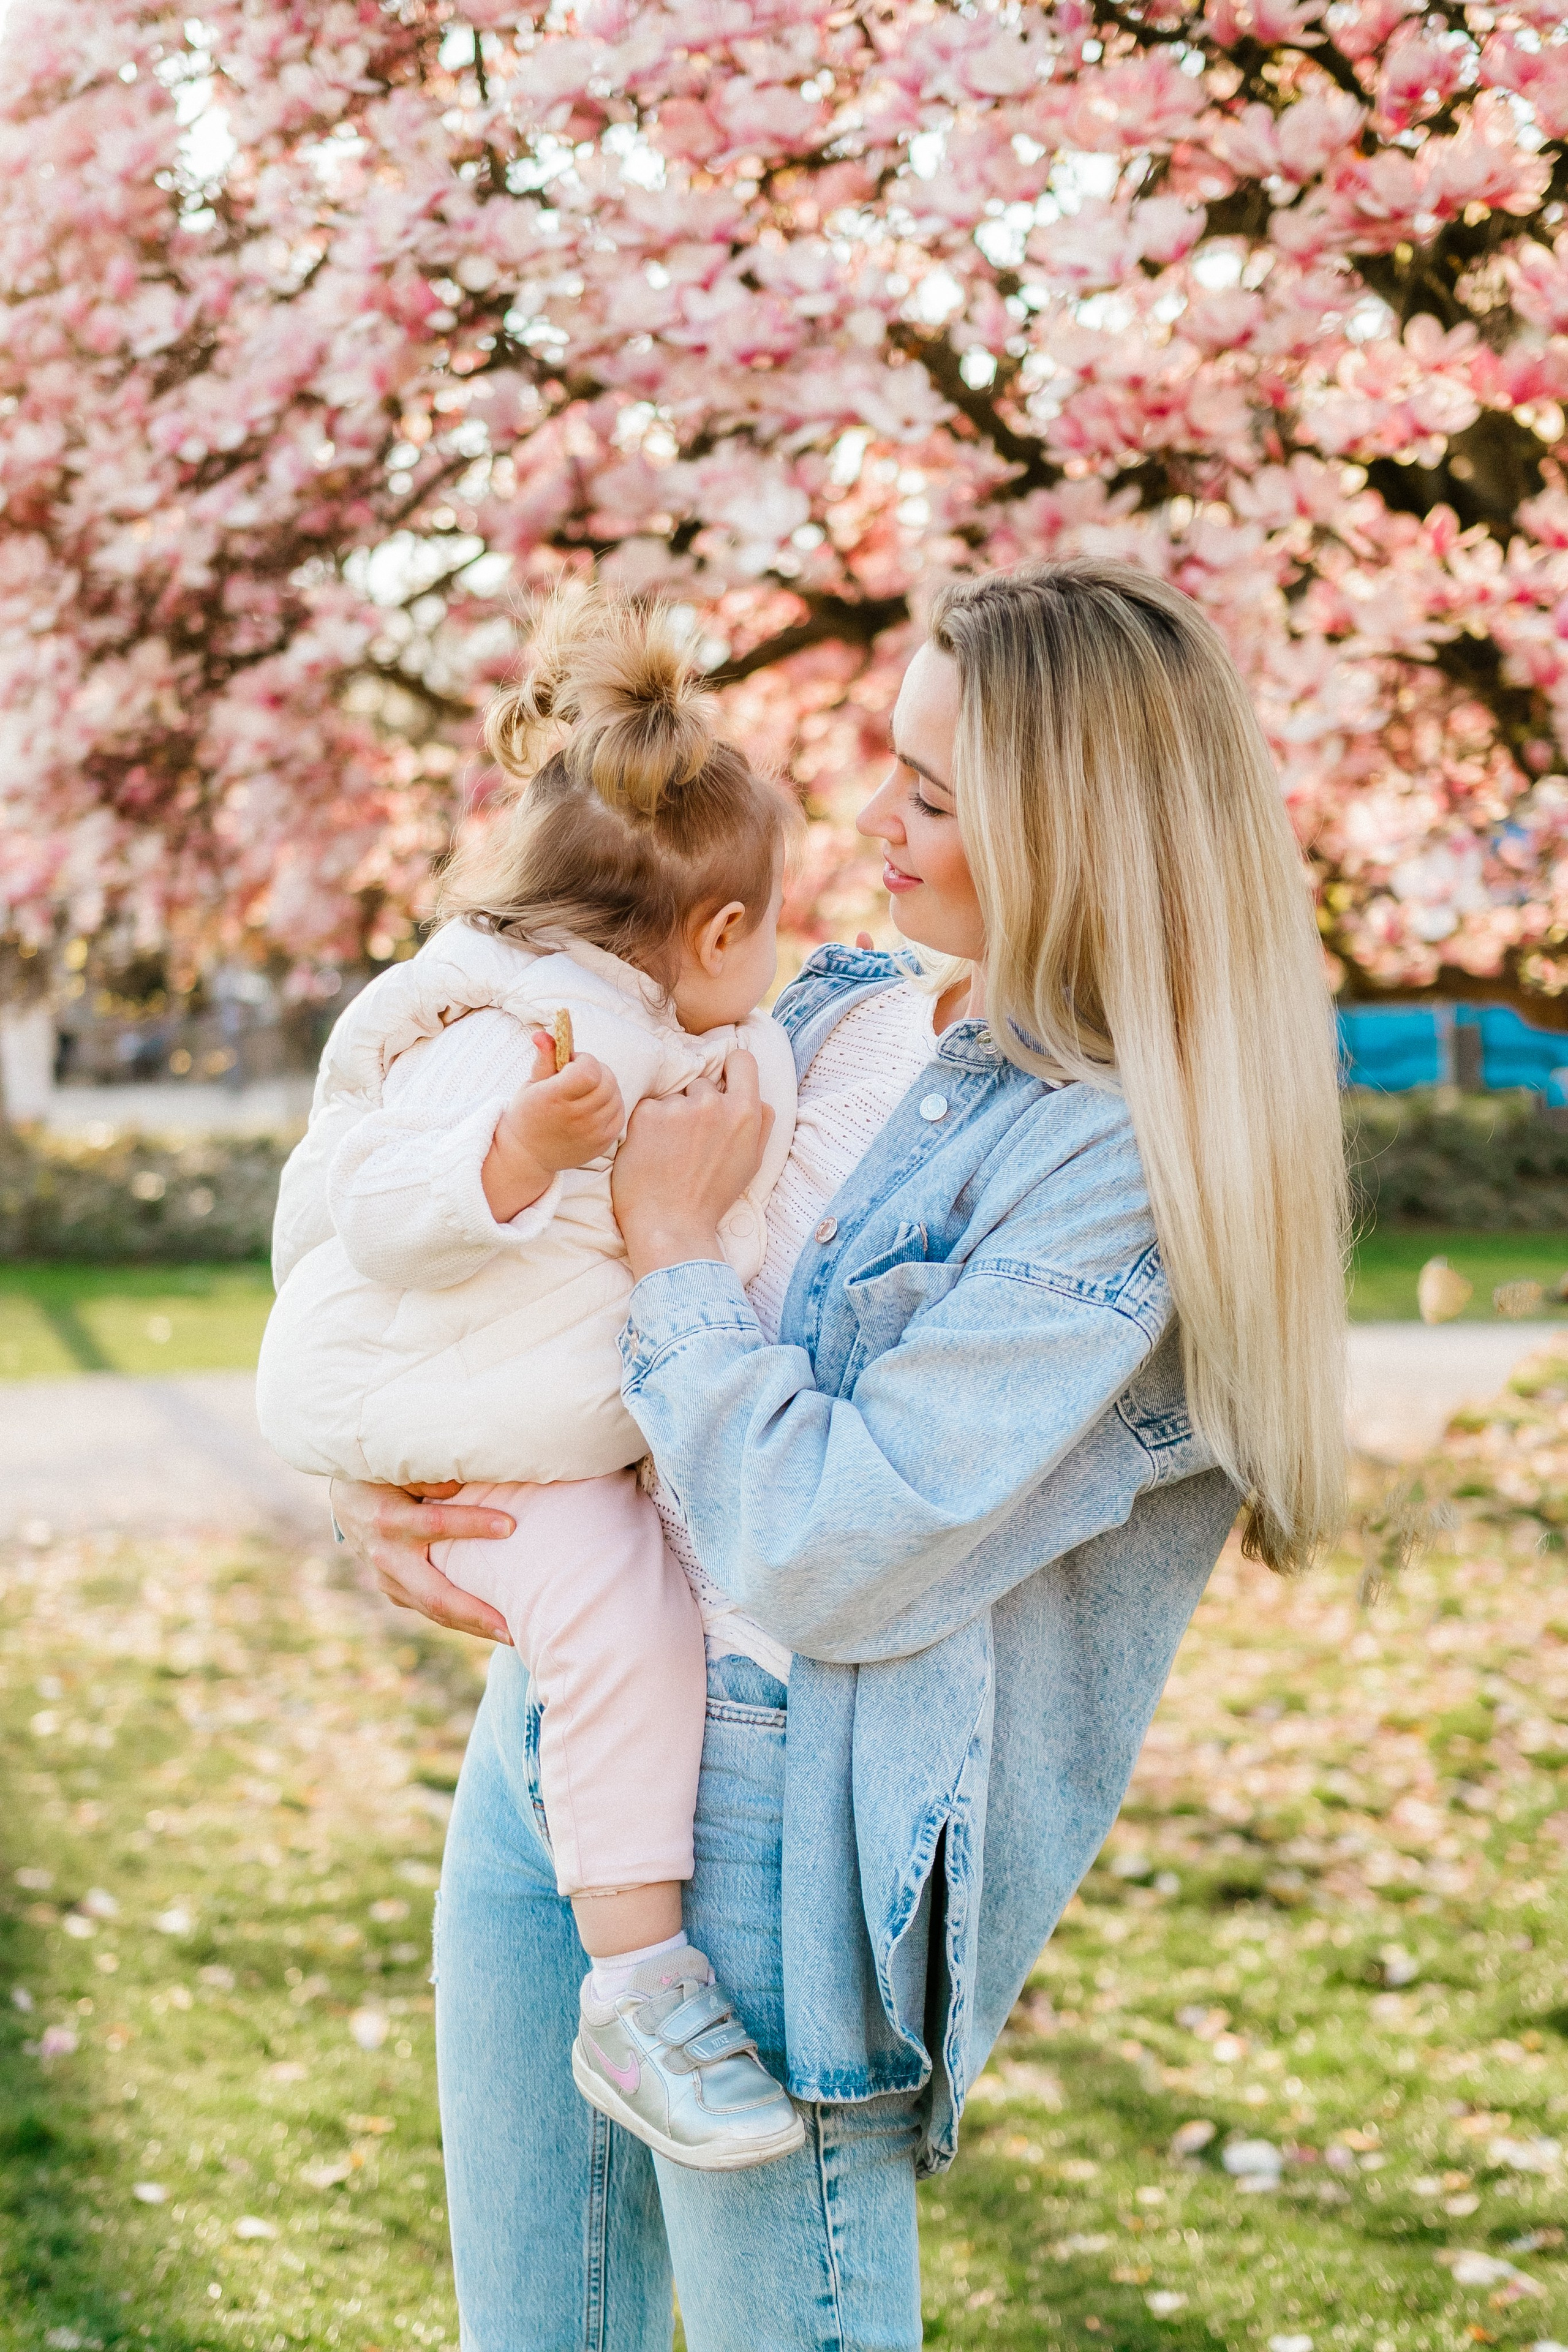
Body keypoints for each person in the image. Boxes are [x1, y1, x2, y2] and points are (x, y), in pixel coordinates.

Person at [331, 559, 1348, 2351]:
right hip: (553, 1743)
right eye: (894, 765)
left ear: (1076, 835)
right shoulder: (844, 1010)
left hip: (786, 1823)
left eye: (937, 798)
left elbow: (827, 1543)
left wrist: (671, 1259)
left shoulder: (1111, 1168)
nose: (876, 825)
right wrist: (398, 1476)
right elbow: (536, 1278)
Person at [258, 589, 807, 2168]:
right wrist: (517, 1150)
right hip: (446, 1422)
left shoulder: (622, 1021)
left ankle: (634, 1964)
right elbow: (378, 1211)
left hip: (499, 1409)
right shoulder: (512, 1036)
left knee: (623, 1610)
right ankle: (639, 1985)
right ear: (714, 934)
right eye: (769, 928)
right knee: (620, 1620)